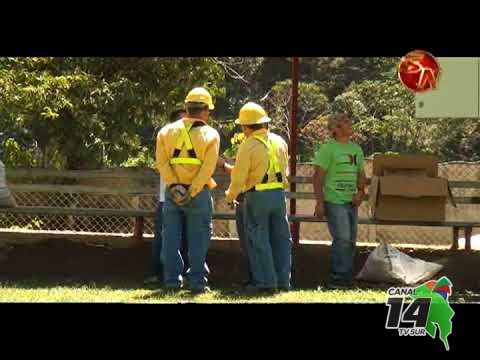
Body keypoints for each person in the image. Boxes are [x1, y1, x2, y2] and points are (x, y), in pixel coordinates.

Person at [156, 87, 220, 294]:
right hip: (198, 193)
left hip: (172, 194)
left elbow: (162, 163)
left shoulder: (165, 132)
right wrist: (191, 191)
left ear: (186, 107)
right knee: (199, 238)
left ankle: (172, 280)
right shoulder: (211, 134)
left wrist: (174, 187)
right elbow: (207, 168)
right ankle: (197, 282)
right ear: (204, 111)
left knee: (171, 237)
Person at [225, 102, 292, 293]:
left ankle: (264, 282)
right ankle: (283, 282)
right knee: (281, 239)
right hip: (278, 195)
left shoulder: (248, 145)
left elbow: (238, 178)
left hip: (257, 197)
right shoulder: (279, 141)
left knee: (258, 239)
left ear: (246, 127)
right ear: (264, 123)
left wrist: (230, 197)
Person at [312, 113, 367, 289]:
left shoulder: (356, 149)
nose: (350, 124)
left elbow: (361, 175)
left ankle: (345, 278)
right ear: (335, 129)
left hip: (351, 202)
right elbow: (318, 178)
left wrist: (360, 192)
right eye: (345, 122)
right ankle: (338, 278)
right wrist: (320, 203)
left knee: (350, 240)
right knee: (342, 238)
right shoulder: (328, 149)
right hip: (334, 201)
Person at [145, 108, 188, 285]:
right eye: (183, 120)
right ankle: (158, 274)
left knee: (186, 239)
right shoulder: (166, 138)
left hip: (190, 198)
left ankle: (183, 275)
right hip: (167, 198)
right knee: (163, 239)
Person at [217, 156, 253, 286]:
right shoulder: (271, 144)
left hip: (247, 198)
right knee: (250, 242)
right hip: (249, 198)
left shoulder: (250, 145)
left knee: (248, 242)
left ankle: (252, 279)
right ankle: (252, 278)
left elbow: (241, 172)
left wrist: (223, 165)